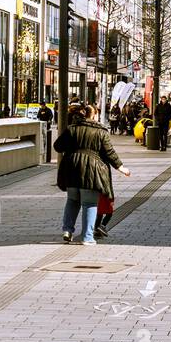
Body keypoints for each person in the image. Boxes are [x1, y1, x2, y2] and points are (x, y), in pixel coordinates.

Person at [54, 104, 130, 245]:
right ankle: (87, 237)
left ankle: (67, 231)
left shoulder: (72, 128)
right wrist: (121, 167)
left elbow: (58, 146)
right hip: (91, 170)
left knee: (72, 200)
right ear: (94, 115)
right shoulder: (101, 132)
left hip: (71, 169)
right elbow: (109, 152)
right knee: (89, 203)